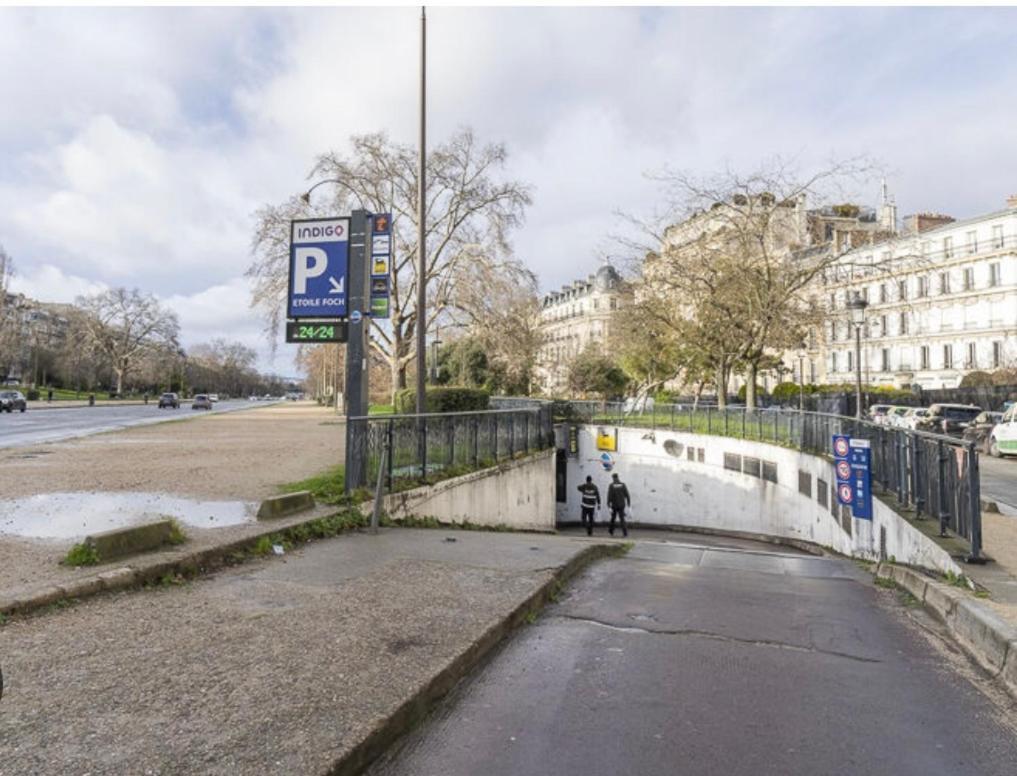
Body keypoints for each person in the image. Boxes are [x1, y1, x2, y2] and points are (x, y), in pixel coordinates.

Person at [606, 473, 631, 537]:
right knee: (622, 519)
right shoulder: (623, 485)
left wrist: (608, 505)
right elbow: (627, 495)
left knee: (613, 519)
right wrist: (629, 504)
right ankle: (625, 533)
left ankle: (611, 531)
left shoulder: (611, 485)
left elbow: (609, 496)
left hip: (614, 505)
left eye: (613, 478)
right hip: (621, 505)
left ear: (613, 478)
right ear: (618, 477)